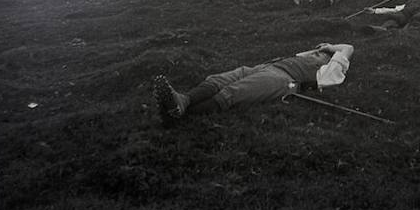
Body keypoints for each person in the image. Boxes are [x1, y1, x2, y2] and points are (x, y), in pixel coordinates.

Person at [152, 43, 354, 125]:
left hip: (282, 80)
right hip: (262, 68)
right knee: (218, 80)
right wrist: (322, 48)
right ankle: (184, 100)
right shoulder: (311, 57)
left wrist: (331, 48)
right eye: (318, 52)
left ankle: (179, 114)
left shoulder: (331, 71)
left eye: (322, 55)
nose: (317, 54)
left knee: (232, 93)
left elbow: (348, 48)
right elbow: (310, 52)